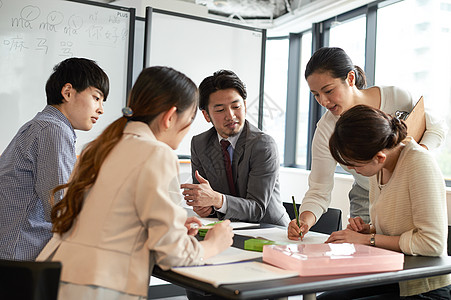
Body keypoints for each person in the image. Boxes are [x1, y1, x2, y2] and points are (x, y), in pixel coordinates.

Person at [36, 66, 234, 300]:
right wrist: (213, 244)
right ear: (170, 117)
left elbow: (110, 220)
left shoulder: (97, 148)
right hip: (98, 287)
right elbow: (172, 255)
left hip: (54, 277)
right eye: (188, 121)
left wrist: (172, 227)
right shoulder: (158, 154)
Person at [291, 47, 447, 237]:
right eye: (315, 95)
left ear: (350, 78)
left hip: (408, 189)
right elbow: (318, 190)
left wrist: (413, 158)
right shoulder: (326, 130)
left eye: (328, 90)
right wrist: (304, 221)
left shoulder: (396, 97)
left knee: (414, 246)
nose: (323, 101)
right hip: (366, 197)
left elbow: (436, 128)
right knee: (365, 255)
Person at [312, 104, 450, 299]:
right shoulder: (379, 168)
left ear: (379, 157)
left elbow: (432, 243)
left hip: (424, 287)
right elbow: (398, 227)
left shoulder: (419, 163)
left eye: (354, 165)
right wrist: (368, 230)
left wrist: (368, 240)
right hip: (391, 275)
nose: (352, 170)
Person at [0, 57, 109, 261]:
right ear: (68, 92)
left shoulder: (42, 125)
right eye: (96, 98)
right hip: (19, 255)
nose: (101, 109)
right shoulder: (54, 130)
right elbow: (62, 209)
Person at [181, 69, 290, 226]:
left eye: (236, 106)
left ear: (245, 105)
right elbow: (207, 197)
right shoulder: (200, 144)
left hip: (269, 231)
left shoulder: (263, 145)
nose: (230, 115)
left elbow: (257, 209)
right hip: (228, 229)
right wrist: (206, 207)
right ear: (206, 115)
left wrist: (216, 200)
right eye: (220, 110)